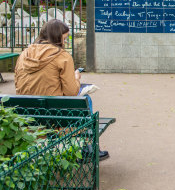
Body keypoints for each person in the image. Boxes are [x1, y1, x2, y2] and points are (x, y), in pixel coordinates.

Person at [14, 19, 109, 159]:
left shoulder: (24, 54)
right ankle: (87, 148)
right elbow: (71, 91)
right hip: (54, 116)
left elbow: (18, 84)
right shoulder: (62, 56)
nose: (65, 42)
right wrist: (76, 78)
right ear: (57, 37)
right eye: (64, 38)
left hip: (27, 114)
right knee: (85, 99)